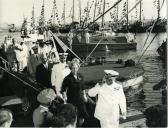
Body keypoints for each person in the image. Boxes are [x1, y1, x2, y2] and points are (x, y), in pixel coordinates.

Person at [61, 58, 89, 126]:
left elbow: (83, 87)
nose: (75, 69)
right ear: (71, 68)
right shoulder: (67, 78)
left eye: (76, 68)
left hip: (80, 99)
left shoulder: (80, 76)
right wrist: (65, 97)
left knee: (82, 116)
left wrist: (84, 96)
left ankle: (80, 126)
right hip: (72, 100)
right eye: (73, 68)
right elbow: (63, 89)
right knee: (74, 117)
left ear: (78, 68)